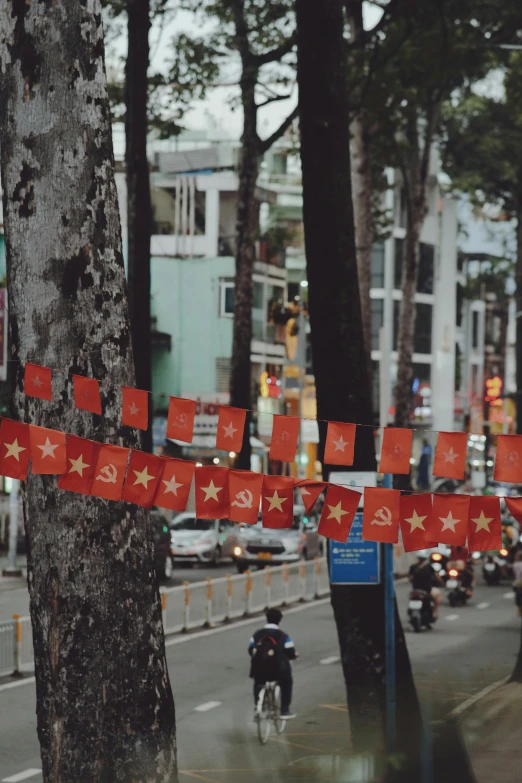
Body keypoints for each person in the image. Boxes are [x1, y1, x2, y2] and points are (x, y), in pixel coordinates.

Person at [248, 608, 298, 719]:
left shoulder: (257, 634)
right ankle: (285, 710)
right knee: (287, 683)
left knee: (258, 684)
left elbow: (251, 649)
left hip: (259, 669)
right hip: (278, 671)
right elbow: (290, 652)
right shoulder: (284, 636)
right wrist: (295, 655)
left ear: (266, 619)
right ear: (280, 621)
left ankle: (258, 706)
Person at [408, 552, 442, 619]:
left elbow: (410, 578)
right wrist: (441, 582)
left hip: (415, 590)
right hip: (427, 590)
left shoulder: (413, 567)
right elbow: (437, 577)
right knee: (438, 594)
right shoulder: (429, 567)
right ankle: (434, 612)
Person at [512, 552, 522, 616]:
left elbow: (514, 574)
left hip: (517, 583)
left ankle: (519, 608)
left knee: (517, 595)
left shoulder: (515, 564)